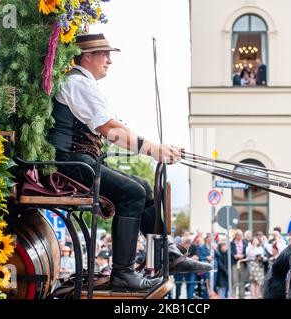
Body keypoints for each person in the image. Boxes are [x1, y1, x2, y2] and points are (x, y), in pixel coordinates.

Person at [47, 33, 211, 291]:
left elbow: (112, 128)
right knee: (133, 192)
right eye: (105, 54)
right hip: (73, 164)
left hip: (82, 162)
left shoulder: (82, 83)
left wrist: (155, 148)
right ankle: (122, 273)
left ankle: (165, 251)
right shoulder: (78, 83)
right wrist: (154, 149)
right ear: (87, 56)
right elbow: (110, 128)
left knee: (143, 186)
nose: (109, 60)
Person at [230, 229, 247, 299]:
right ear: (236, 235)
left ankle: (241, 297)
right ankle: (233, 297)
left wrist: (243, 255)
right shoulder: (231, 243)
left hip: (243, 262)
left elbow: (247, 251)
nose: (240, 236)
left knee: (242, 281)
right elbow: (230, 252)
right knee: (234, 281)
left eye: (241, 235)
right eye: (239, 235)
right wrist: (235, 255)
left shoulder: (245, 242)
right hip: (234, 263)